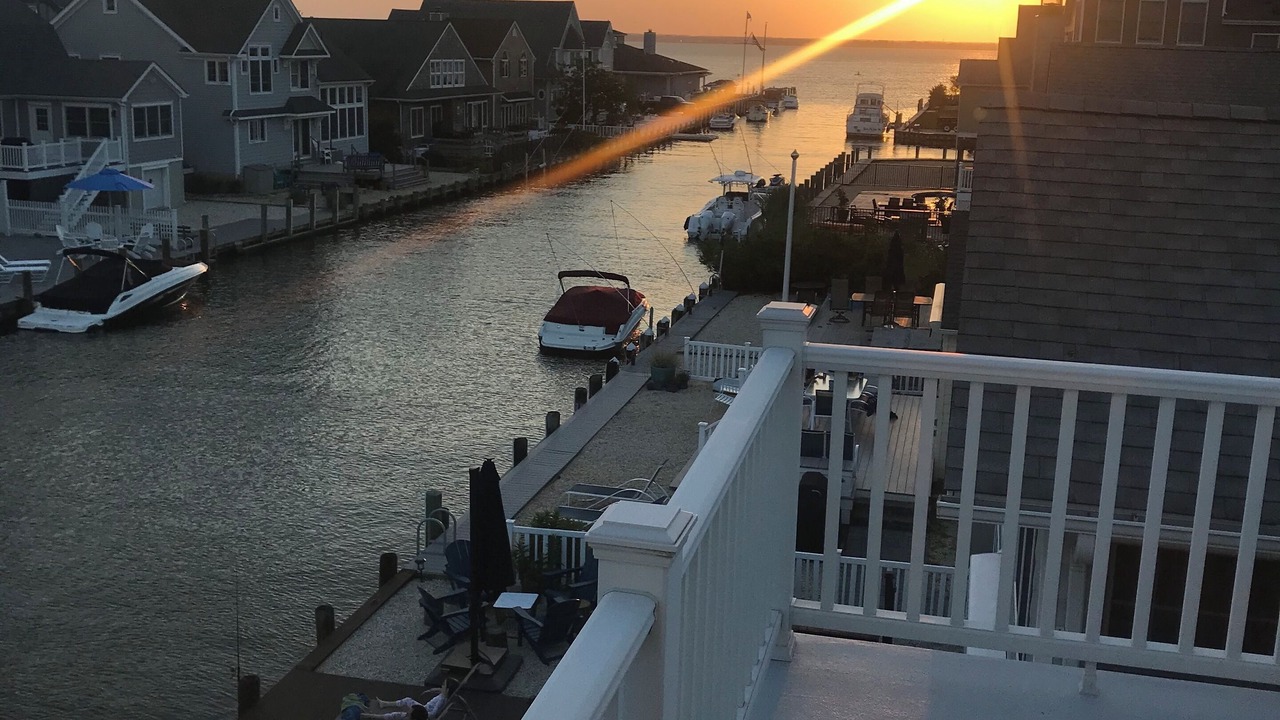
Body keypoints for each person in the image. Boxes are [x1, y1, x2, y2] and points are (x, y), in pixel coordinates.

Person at [362, 680, 450, 720]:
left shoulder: (406, 716)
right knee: (407, 702)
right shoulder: (427, 713)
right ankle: (384, 704)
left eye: (409, 713)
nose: (407, 712)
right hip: (428, 711)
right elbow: (433, 709)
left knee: (400, 710)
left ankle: (383, 705)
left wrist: (371, 716)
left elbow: (390, 716)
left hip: (428, 712)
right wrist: (442, 695)